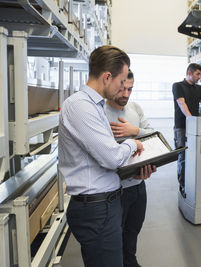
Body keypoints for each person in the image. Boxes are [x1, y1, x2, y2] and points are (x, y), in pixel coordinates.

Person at [58, 45, 154, 267]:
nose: (123, 89)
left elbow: (103, 159)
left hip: (105, 203)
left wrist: (135, 169)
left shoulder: (94, 105)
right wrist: (132, 142)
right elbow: (111, 157)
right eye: (121, 82)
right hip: (96, 208)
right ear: (107, 77)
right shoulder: (81, 106)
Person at [105, 69, 155, 267]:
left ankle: (131, 261)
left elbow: (154, 135)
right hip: (114, 191)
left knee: (133, 230)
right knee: (115, 236)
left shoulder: (135, 108)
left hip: (138, 185)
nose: (126, 94)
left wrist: (135, 131)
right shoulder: (100, 111)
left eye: (130, 89)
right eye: (122, 89)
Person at [172, 63, 201, 197]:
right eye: (198, 74)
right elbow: (181, 103)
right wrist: (191, 119)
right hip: (182, 127)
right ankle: (183, 186)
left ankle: (193, 183)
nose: (200, 77)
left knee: (195, 156)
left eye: (200, 74)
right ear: (189, 73)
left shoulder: (199, 88)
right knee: (184, 157)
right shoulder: (178, 86)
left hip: (195, 126)